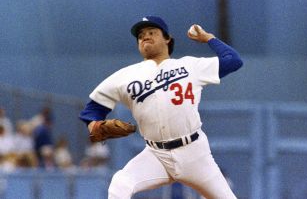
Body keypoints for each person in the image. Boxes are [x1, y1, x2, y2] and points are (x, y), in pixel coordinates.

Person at [79, 16, 242, 198]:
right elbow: (92, 109)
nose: (145, 37)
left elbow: (233, 60)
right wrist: (93, 125)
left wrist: (209, 38)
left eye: (152, 32)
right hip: (156, 155)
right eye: (141, 35)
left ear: (167, 39)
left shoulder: (189, 66)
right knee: (120, 184)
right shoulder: (125, 76)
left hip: (194, 153)